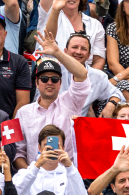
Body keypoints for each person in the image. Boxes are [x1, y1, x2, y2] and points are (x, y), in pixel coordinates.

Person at [14, 31, 90, 165]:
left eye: (54, 79)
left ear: (60, 83)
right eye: (44, 78)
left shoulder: (71, 102)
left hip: (66, 177)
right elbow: (18, 153)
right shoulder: (23, 113)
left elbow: (82, 74)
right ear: (36, 83)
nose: (49, 82)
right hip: (35, 179)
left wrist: (57, 53)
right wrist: (31, 176)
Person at [12, 124, 87, 195]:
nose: (51, 149)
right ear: (39, 148)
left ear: (63, 148)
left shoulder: (69, 174)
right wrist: (37, 166)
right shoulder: (25, 173)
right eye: (47, 146)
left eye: (56, 145)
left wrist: (69, 167)